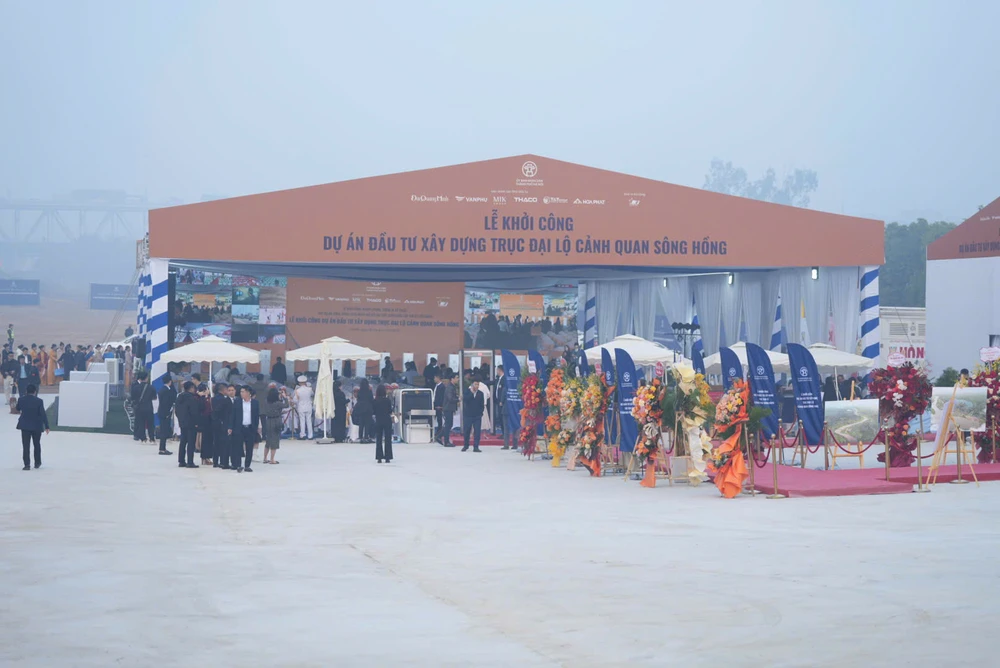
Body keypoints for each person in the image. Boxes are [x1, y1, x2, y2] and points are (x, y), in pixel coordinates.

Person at [15, 383, 49, 470]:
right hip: (37, 425)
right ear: (35, 391)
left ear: (26, 391)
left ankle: (27, 464)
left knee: (26, 445)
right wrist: (47, 426)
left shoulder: (21, 399)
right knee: (36, 444)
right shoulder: (39, 401)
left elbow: (17, 408)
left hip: (25, 425)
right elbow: (43, 414)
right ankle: (37, 463)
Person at [229, 385, 260, 472]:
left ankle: (247, 465)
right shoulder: (237, 402)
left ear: (248, 393)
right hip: (239, 427)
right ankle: (238, 465)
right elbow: (233, 415)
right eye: (241, 392)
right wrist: (231, 427)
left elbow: (256, 416)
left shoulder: (255, 403)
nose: (241, 393)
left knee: (249, 447)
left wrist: (256, 427)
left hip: (250, 428)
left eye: (243, 392)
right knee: (238, 447)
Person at [174, 381, 201, 468]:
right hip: (191, 423)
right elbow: (194, 412)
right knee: (191, 443)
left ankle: (181, 461)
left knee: (183, 442)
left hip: (182, 423)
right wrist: (196, 422)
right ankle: (190, 461)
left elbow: (176, 410)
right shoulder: (192, 398)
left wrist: (181, 419)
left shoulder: (179, 397)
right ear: (191, 388)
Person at [262, 386, 288, 465]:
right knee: (275, 440)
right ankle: (272, 459)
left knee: (268, 440)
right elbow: (286, 405)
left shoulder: (266, 402)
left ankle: (265, 458)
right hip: (276, 421)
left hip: (268, 420)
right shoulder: (278, 403)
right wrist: (285, 397)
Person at [130, 372, 156, 443]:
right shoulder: (151, 387)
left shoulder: (135, 387)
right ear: (146, 378)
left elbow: (132, 397)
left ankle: (143, 438)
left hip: (139, 408)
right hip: (149, 407)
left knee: (141, 423)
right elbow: (154, 397)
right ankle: (151, 438)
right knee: (150, 423)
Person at [211, 383, 233, 467]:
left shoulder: (213, 399)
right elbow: (227, 412)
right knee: (224, 443)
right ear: (223, 390)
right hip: (224, 423)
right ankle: (224, 462)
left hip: (215, 423)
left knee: (216, 442)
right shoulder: (225, 400)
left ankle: (215, 461)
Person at [462, 378, 485, 452]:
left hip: (477, 415)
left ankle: (476, 446)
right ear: (472, 385)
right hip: (468, 415)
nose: (477, 386)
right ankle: (466, 445)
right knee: (467, 431)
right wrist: (471, 393)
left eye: (478, 384)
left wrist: (480, 413)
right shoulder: (467, 391)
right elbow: (465, 400)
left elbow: (482, 405)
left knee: (477, 431)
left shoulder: (481, 393)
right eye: (475, 384)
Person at [373, 384, 394, 463]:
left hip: (378, 420)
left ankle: (379, 457)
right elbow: (390, 411)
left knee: (379, 439)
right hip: (387, 420)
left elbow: (373, 411)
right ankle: (388, 457)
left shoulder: (375, 401)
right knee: (388, 439)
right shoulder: (387, 400)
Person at [156, 375, 176, 455]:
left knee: (163, 430)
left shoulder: (162, 389)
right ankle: (162, 449)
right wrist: (167, 413)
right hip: (165, 413)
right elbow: (165, 403)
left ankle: (163, 448)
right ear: (170, 381)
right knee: (164, 431)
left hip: (162, 412)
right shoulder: (166, 391)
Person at [196, 383, 214, 466]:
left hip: (210, 421)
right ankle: (204, 457)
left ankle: (207, 457)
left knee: (209, 440)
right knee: (205, 440)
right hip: (204, 421)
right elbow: (201, 408)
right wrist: (203, 397)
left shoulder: (210, 398)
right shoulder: (200, 399)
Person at [293, 375, 314, 440]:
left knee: (302, 421)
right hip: (309, 406)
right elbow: (312, 394)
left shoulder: (297, 390)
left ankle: (303, 435)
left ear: (299, 383)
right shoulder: (310, 389)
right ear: (305, 382)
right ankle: (310, 436)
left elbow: (295, 400)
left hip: (301, 407)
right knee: (309, 421)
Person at [354, 378, 375, 443]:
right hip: (368, 409)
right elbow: (371, 399)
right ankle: (366, 436)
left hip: (361, 409)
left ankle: (360, 436)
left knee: (361, 424)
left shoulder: (360, 392)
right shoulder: (369, 391)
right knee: (367, 424)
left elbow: (358, 399)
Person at [442, 372, 459, 447]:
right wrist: (458, 399)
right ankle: (446, 441)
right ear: (452, 379)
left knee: (449, 424)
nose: (458, 379)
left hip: (449, 408)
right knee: (448, 424)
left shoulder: (452, 386)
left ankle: (440, 436)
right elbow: (450, 398)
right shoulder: (450, 387)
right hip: (448, 408)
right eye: (456, 378)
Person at [433, 373, 445, 444]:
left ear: (438, 378)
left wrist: (440, 405)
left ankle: (439, 434)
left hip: (439, 405)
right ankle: (437, 432)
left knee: (440, 420)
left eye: (435, 378)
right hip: (435, 405)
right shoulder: (436, 386)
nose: (434, 379)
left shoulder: (442, 386)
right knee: (437, 419)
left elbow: (442, 397)